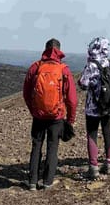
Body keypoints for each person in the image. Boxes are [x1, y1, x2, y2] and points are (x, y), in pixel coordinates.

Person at [22, 39, 78, 190]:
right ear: (59, 50)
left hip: (38, 116)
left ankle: (32, 181)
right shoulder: (63, 69)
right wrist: (70, 120)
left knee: (36, 146)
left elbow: (26, 93)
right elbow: (72, 99)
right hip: (57, 117)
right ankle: (47, 182)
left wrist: (33, 109)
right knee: (52, 148)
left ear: (45, 49)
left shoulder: (36, 67)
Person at [79, 37, 110, 181]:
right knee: (108, 132)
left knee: (92, 134)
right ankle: (109, 163)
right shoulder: (109, 63)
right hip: (108, 105)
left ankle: (93, 167)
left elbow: (83, 83)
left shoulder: (91, 65)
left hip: (93, 107)